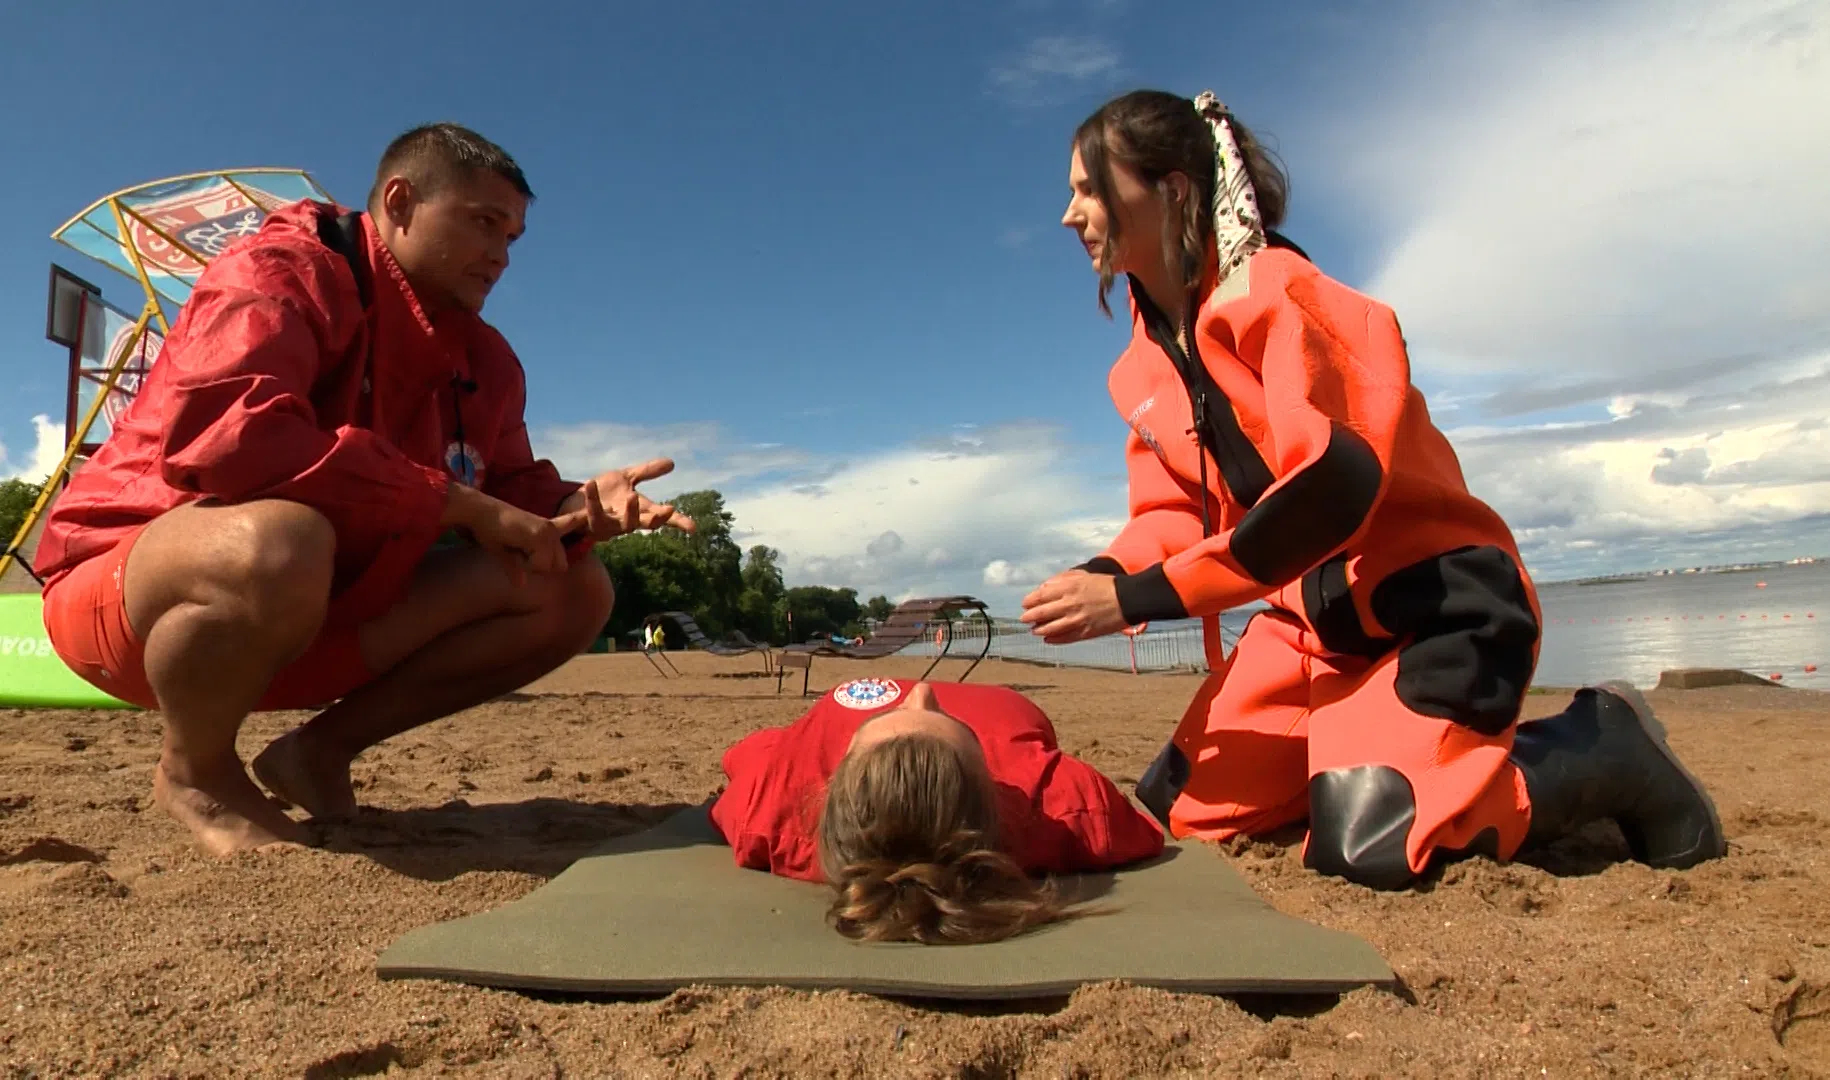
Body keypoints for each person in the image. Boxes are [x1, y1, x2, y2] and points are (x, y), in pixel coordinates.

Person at [1020, 88, 1726, 890]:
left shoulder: (1282, 296)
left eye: (1087, 188)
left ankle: (1604, 745)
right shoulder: (1142, 369)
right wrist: (1104, 581)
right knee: (1184, 812)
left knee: (1370, 840)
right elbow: (1173, 517)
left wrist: (1140, 600)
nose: (1070, 215)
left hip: (1433, 604)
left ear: (1173, 188)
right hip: (1311, 631)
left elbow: (1329, 492)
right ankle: (1361, 750)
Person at [34, 124, 693, 856]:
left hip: (316, 608)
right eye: (482, 223)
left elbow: (508, 494)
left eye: (513, 236)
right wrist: (454, 502)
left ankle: (315, 753)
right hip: (129, 594)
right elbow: (226, 439)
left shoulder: (489, 361)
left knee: (573, 585)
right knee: (279, 540)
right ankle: (196, 772)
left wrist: (580, 512)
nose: (502, 255)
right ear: (401, 202)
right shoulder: (278, 270)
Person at [709, 678, 1164, 943]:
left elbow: (742, 756)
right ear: (994, 787)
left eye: (877, 724)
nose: (921, 690)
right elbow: (1142, 833)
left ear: (833, 777)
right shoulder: (1054, 801)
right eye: (956, 726)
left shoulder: (770, 810)